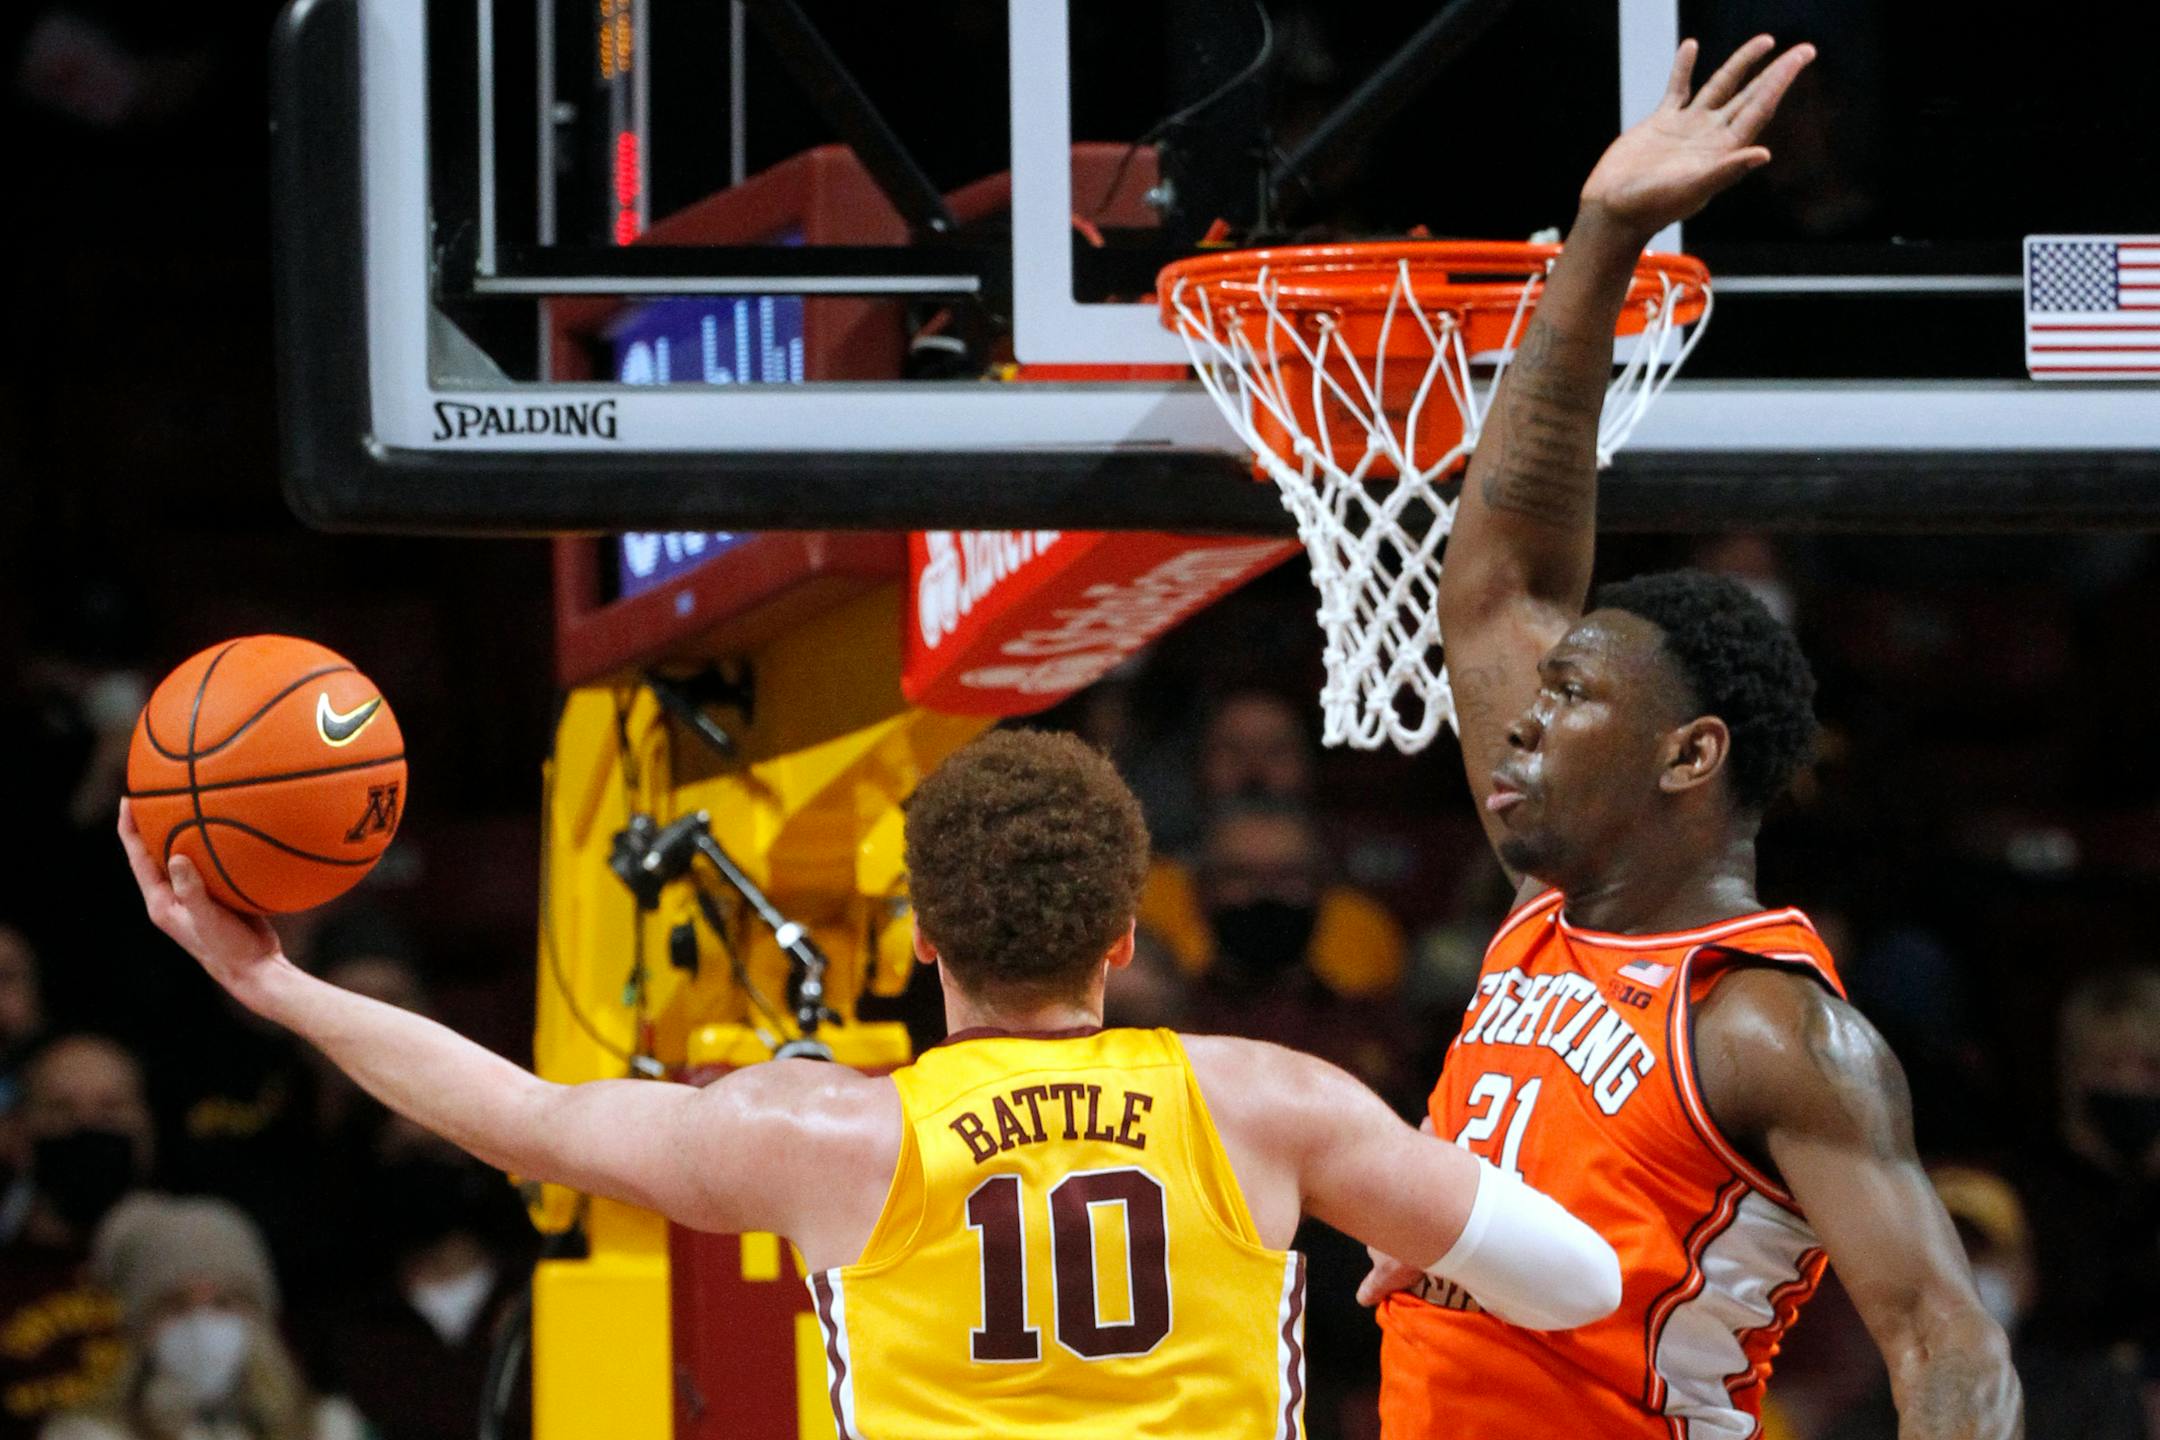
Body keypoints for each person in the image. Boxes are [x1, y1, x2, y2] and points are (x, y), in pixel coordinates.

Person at [120, 730, 1623, 1438]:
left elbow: (522, 1116)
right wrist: (1422, 1262)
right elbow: (1571, 1282)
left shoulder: (822, 1129)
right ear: (1122, 933)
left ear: (919, 937)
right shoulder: (1272, 1101)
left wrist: (271, 983)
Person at [1360, 36, 2023, 1440]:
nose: (1523, 716)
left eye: (1574, 698)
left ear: (1690, 756)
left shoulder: (1769, 1025)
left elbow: (1945, 1336)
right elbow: (1501, 588)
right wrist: (1600, 238)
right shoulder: (1549, 910)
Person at [41, 1195, 364, 1440]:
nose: (201, 1321)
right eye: (176, 1305)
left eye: (224, 1302)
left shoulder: (329, 1427)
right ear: (139, 1326)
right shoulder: (85, 1433)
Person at [0, 1036, 156, 1440]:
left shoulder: (202, 1269)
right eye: (61, 1109)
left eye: (110, 1108)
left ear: (146, 1129)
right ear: (17, 1133)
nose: (87, 1127)